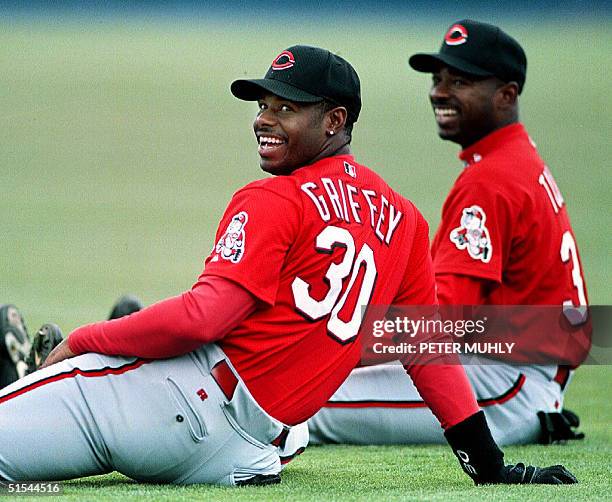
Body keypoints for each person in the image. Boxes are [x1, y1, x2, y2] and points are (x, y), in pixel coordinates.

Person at [0, 45, 576, 487]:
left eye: (287, 107)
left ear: (334, 121)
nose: (265, 119)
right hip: (247, 451)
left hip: (175, 409)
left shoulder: (276, 199)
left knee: (78, 381)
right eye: (263, 104)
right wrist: (487, 463)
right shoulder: (405, 220)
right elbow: (428, 352)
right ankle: (31, 392)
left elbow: (205, 317)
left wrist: (84, 339)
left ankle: (30, 382)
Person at [308, 20, 589, 447]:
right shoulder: (514, 159)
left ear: (507, 95)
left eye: (460, 81)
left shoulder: (491, 179)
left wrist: (332, 347)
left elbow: (441, 321)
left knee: (301, 398)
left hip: (506, 383)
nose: (440, 91)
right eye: (438, 79)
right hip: (517, 374)